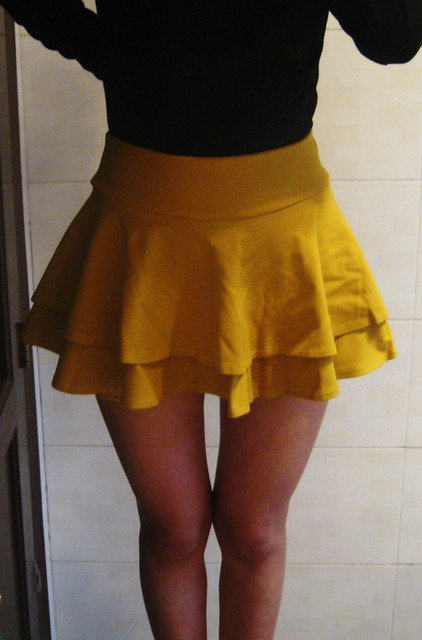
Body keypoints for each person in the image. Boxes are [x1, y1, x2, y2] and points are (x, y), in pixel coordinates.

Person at [3, 0, 420, 638]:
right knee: (173, 529)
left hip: (282, 241)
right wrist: (113, 52)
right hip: (142, 231)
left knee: (254, 532)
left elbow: (394, 37)